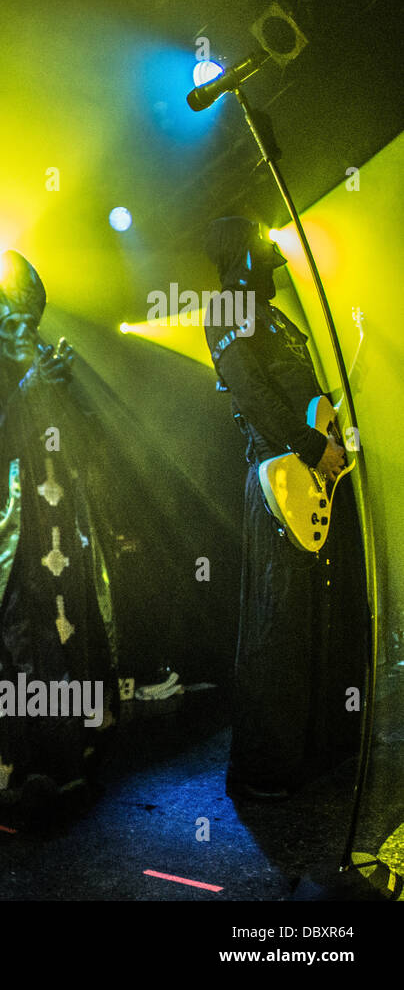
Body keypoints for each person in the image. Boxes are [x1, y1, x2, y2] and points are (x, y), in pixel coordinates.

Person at [202, 217, 365, 801]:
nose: (270, 265)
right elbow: (248, 389)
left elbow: (302, 387)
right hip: (280, 471)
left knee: (324, 612)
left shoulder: (278, 319)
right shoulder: (224, 308)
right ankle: (270, 768)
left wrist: (331, 435)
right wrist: (308, 443)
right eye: (258, 254)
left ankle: (324, 749)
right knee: (281, 620)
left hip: (316, 471)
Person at [0, 250, 117, 816]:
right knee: (24, 641)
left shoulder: (51, 361)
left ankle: (69, 755)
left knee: (71, 633)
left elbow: (92, 443)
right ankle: (19, 762)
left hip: (64, 529)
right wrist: (27, 388)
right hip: (17, 532)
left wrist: (69, 391)